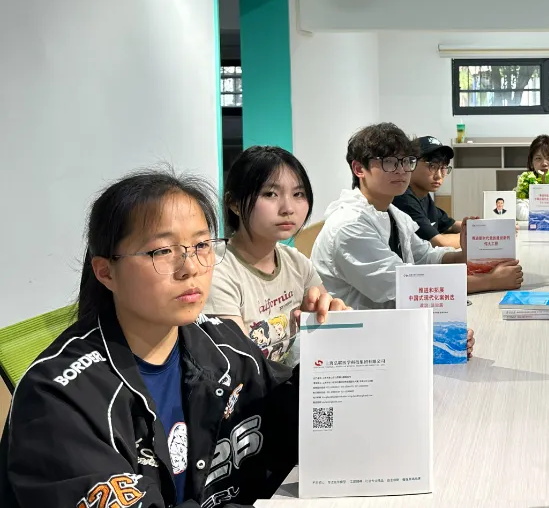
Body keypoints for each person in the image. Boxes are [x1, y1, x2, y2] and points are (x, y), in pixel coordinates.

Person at [0, 169, 366, 508]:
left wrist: (331, 355)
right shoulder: (57, 396)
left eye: (202, 245)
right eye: (162, 251)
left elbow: (285, 421)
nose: (190, 267)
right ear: (106, 272)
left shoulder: (220, 344)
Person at [312, 122, 522, 311]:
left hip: (399, 322)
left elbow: (425, 257)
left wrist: (464, 255)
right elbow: (406, 286)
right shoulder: (349, 225)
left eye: (406, 162)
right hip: (362, 333)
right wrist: (489, 281)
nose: (402, 170)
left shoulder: (392, 213)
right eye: (389, 162)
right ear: (359, 169)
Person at [203, 146, 328, 365]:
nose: (288, 208)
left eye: (298, 194)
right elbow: (243, 365)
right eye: (270, 194)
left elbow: (328, 327)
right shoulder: (217, 271)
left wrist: (328, 319)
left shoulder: (296, 263)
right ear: (234, 204)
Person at [392, 136, 462, 248]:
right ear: (411, 164)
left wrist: (478, 226)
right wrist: (475, 237)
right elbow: (439, 243)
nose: (439, 176)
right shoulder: (403, 198)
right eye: (432, 166)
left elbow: (450, 225)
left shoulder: (423, 195)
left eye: (443, 168)